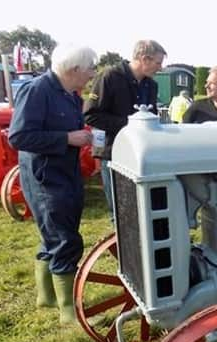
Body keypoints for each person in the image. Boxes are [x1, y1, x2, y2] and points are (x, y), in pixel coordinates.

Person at [9, 44, 98, 324]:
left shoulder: (70, 95)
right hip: (46, 178)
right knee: (64, 239)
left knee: (53, 234)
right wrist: (67, 139)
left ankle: (46, 298)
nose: (93, 74)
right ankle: (68, 311)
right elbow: (19, 137)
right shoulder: (37, 91)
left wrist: (82, 137)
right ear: (74, 69)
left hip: (65, 173)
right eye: (90, 68)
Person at [83, 40, 167, 217]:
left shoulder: (151, 85)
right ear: (144, 59)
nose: (160, 68)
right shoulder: (109, 77)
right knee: (121, 211)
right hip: (114, 154)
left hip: (142, 156)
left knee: (144, 210)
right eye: (158, 63)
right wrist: (131, 125)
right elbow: (91, 115)